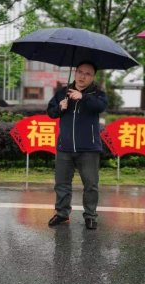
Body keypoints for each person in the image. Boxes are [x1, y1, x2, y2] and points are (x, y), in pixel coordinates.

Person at [46, 61, 108, 230]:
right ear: (75, 72)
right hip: (64, 147)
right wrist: (60, 107)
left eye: (87, 74)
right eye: (80, 72)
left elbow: (100, 107)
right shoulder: (63, 92)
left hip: (89, 148)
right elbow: (50, 112)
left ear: (93, 77)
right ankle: (62, 213)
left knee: (90, 185)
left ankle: (90, 216)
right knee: (62, 184)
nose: (82, 76)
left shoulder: (98, 94)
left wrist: (83, 97)